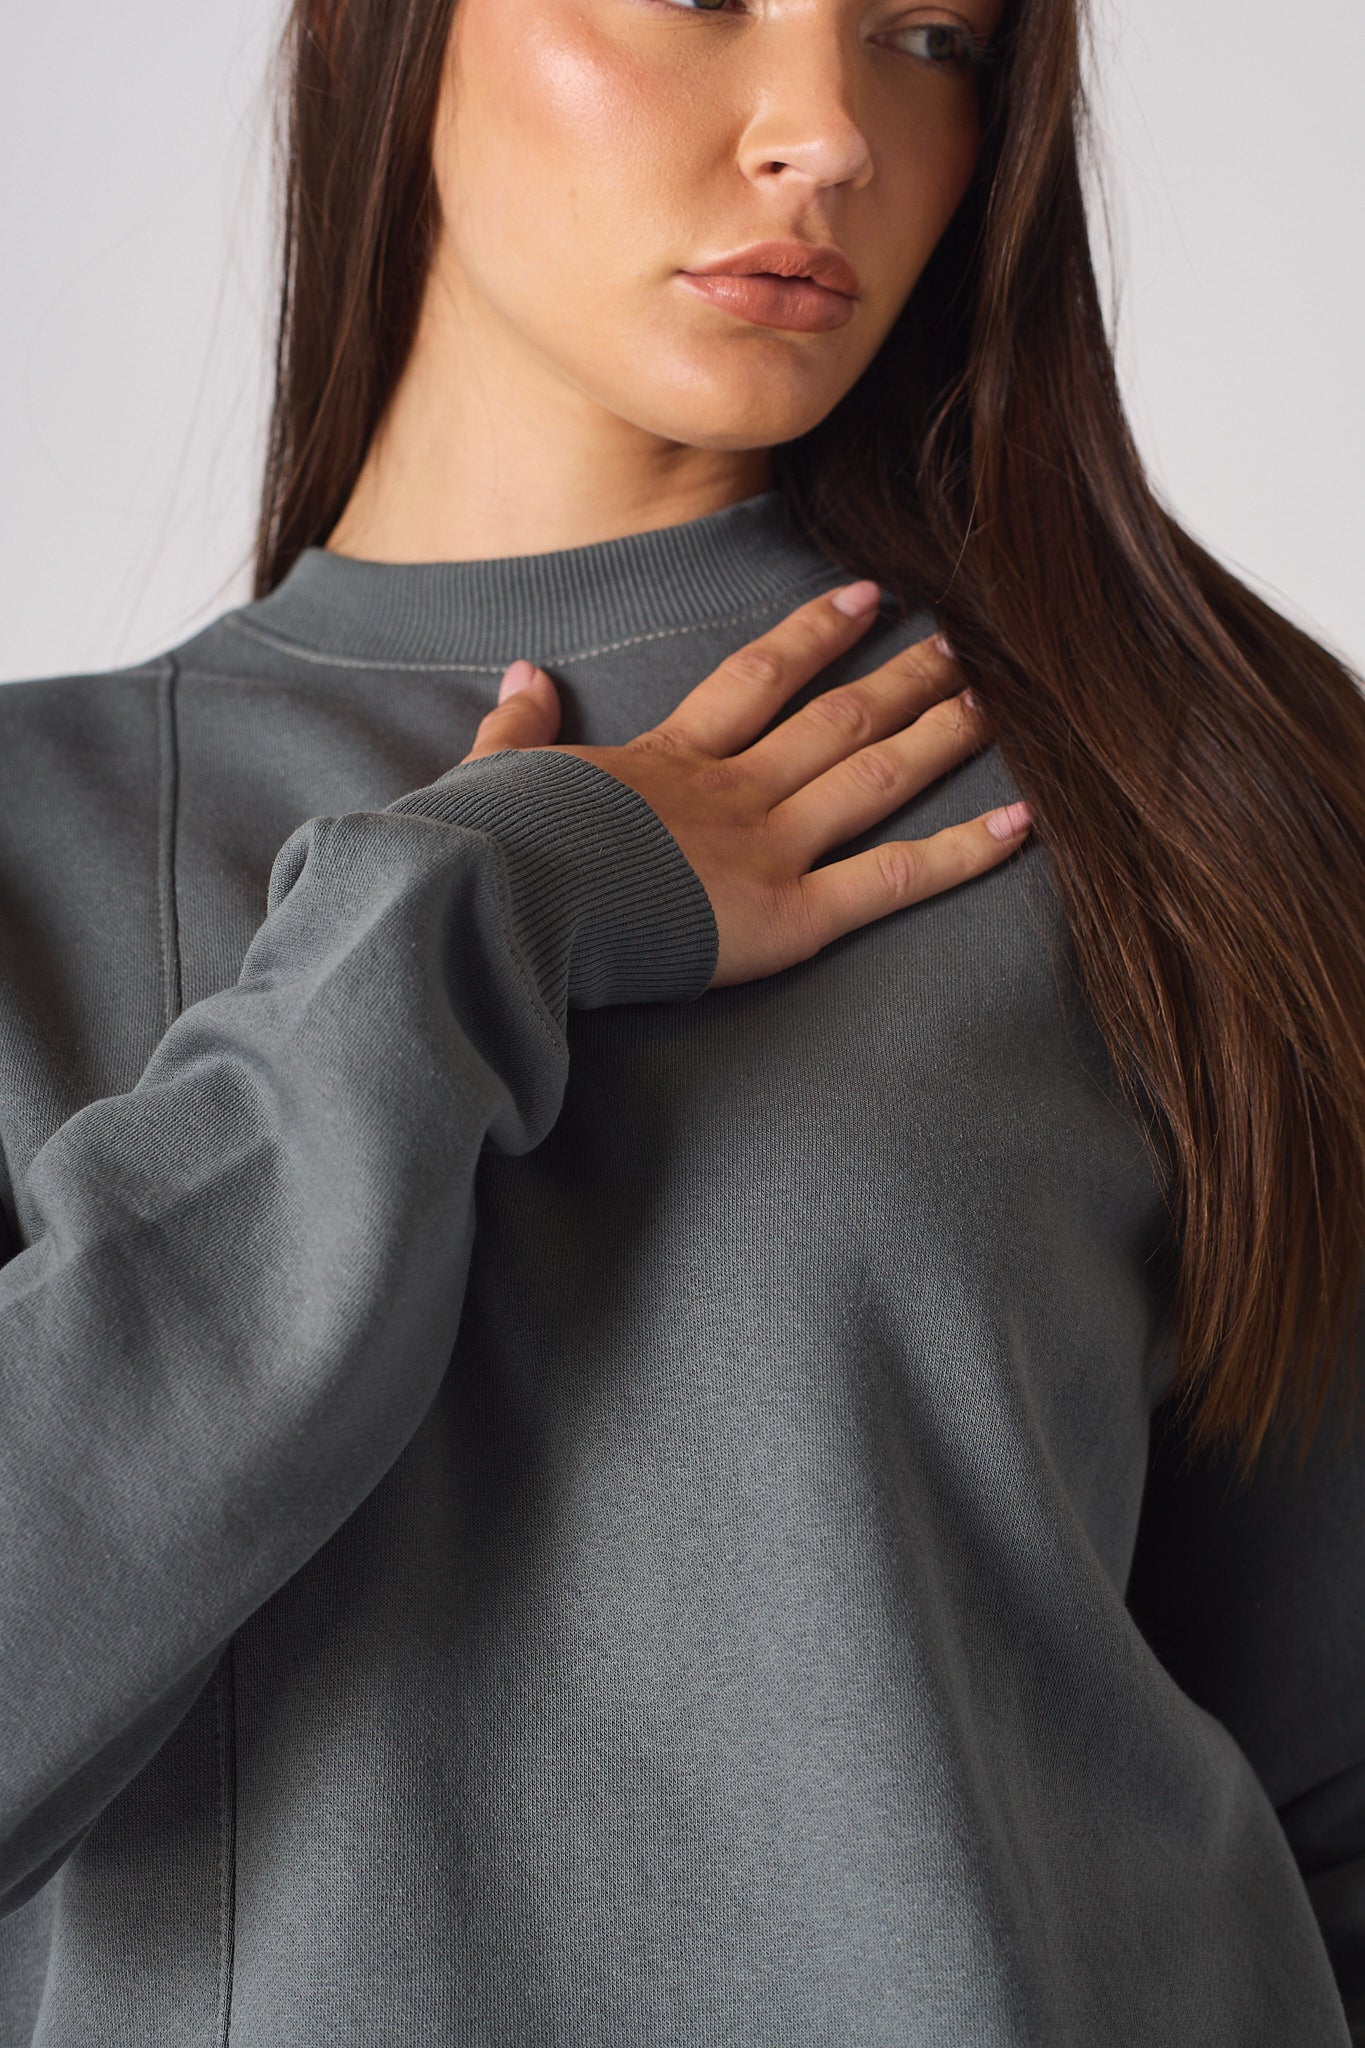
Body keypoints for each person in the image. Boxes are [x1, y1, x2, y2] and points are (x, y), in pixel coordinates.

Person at [1, 0, 1362, 2039]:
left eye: (928, 34)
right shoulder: (35, 842)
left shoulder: (1165, 784)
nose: (824, 132)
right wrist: (469, 906)